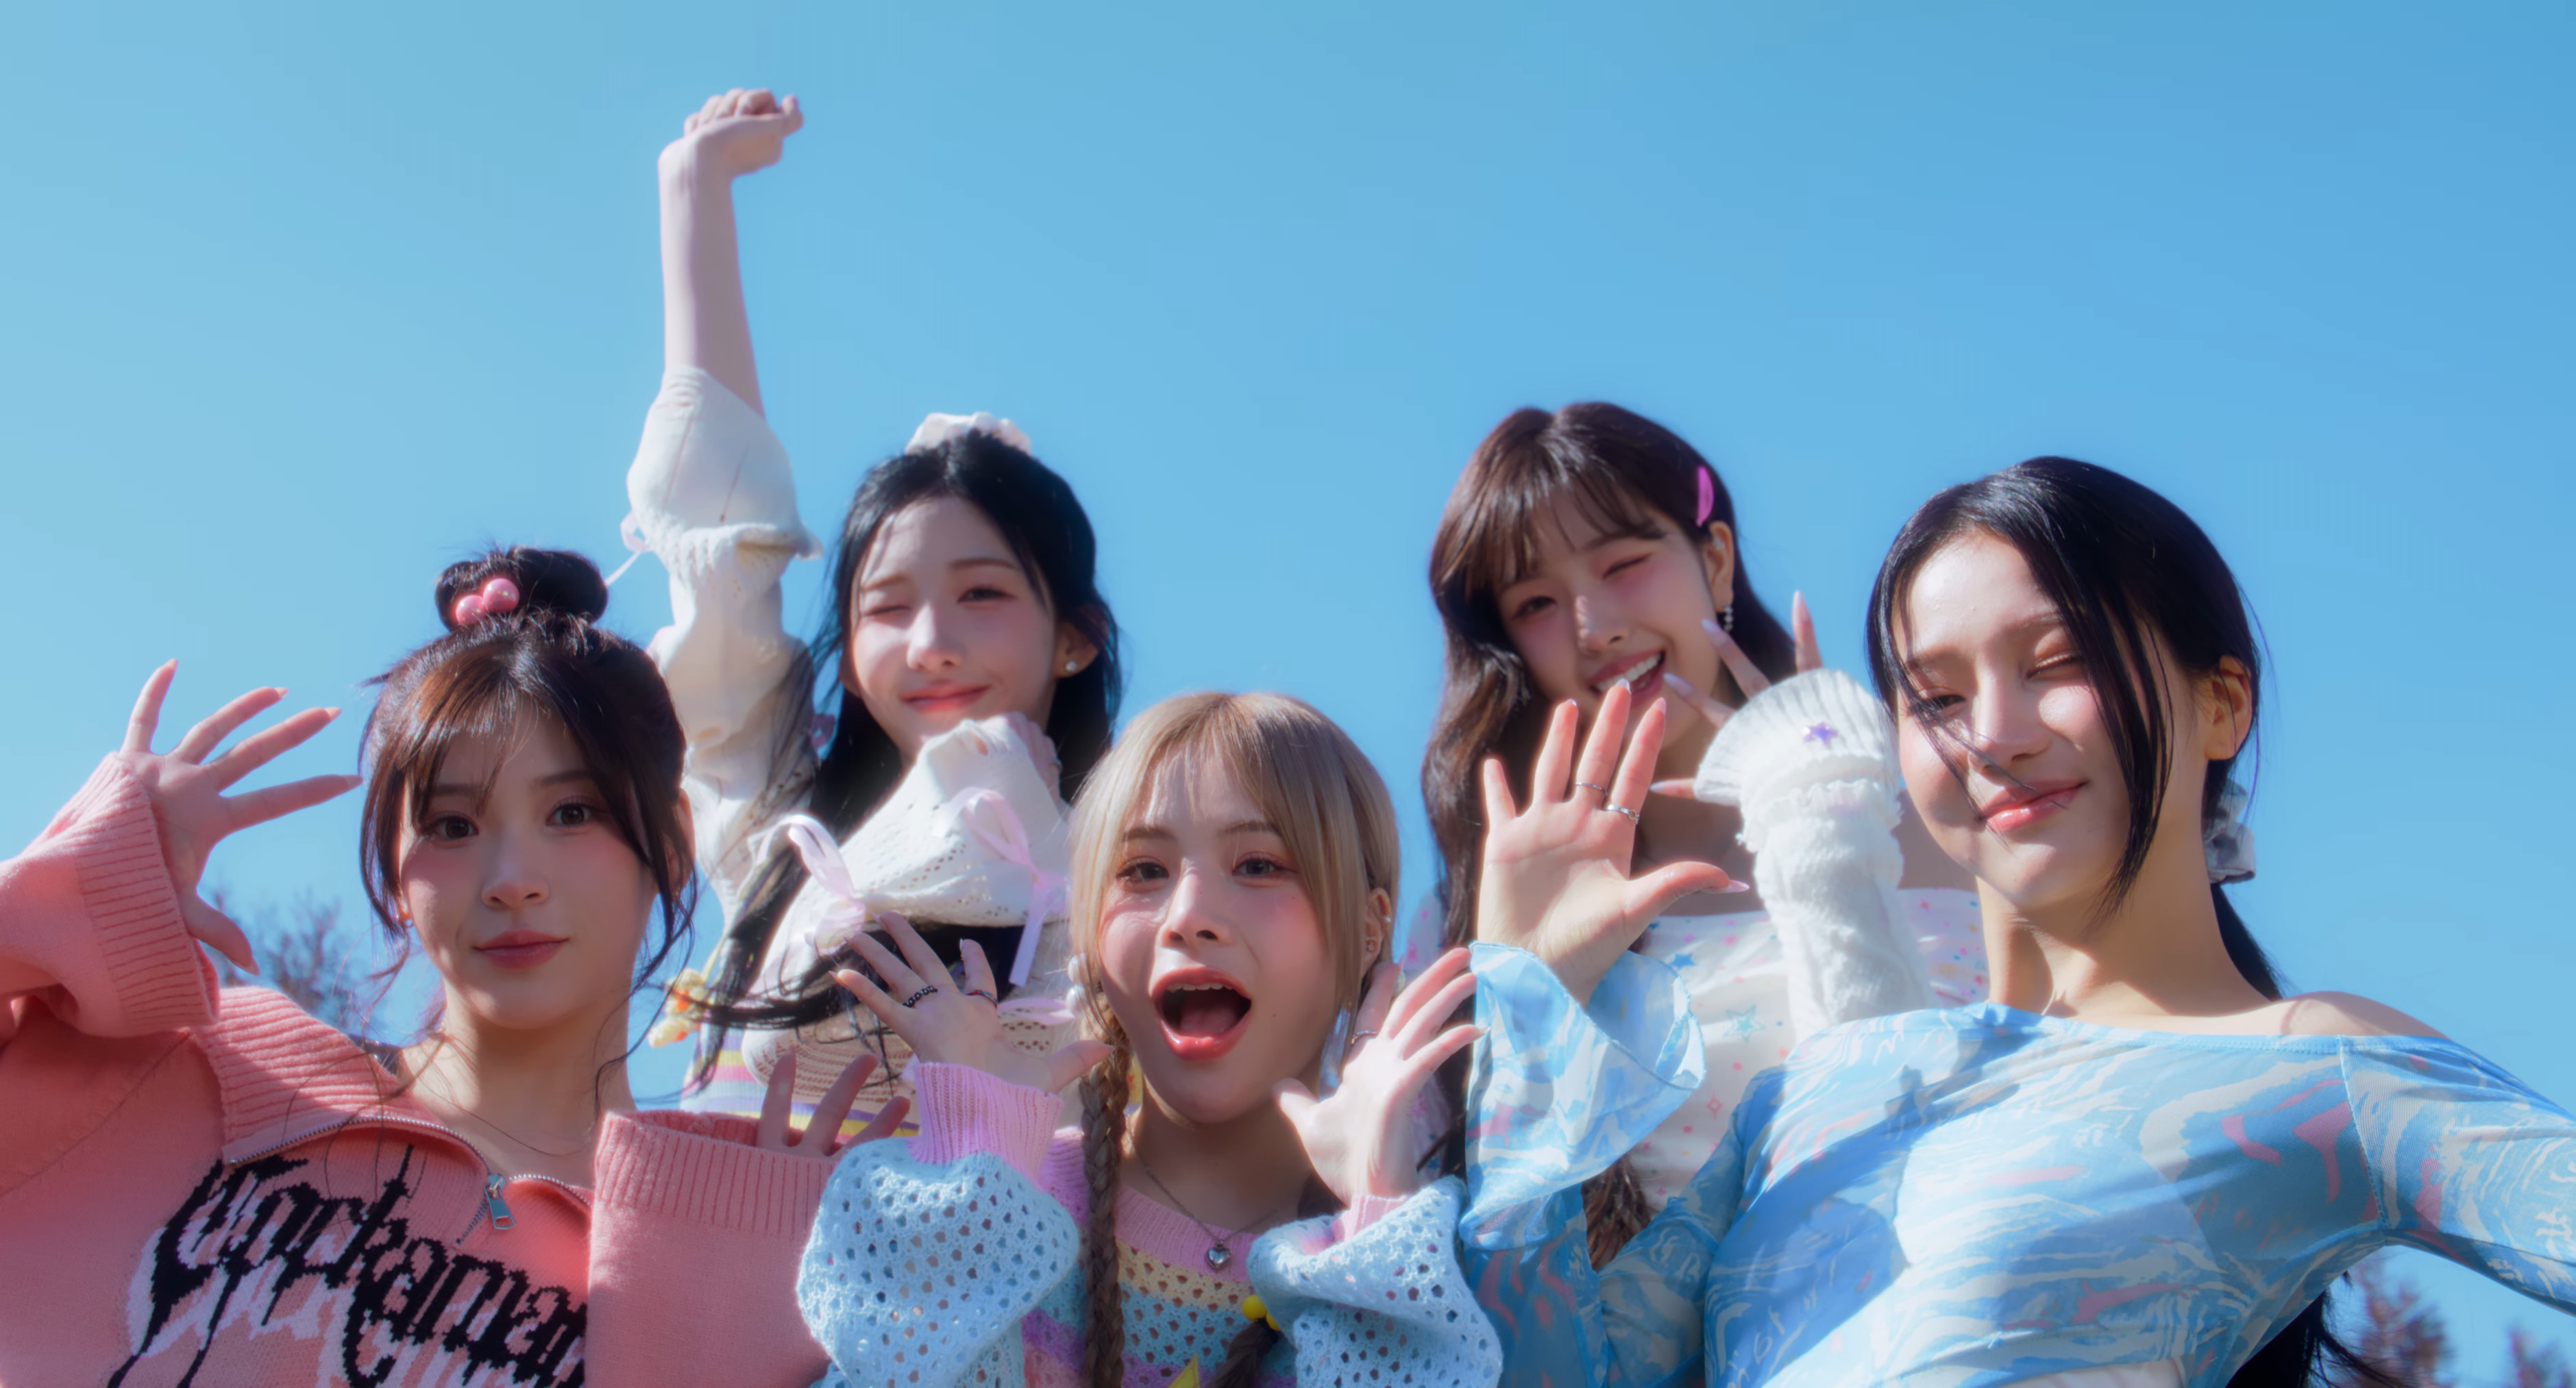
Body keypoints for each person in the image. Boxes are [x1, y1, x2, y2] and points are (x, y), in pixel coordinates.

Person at [1461, 458, 2576, 1386]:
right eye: (1936, 699)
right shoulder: (1809, 1095)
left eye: (2058, 663)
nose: (1994, 733)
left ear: (2221, 702)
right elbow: (1545, 1373)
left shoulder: (2315, 1064)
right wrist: (1527, 1007)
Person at [0, 549, 903, 1385]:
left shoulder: (722, 1237)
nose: (512, 878)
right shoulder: (207, 1070)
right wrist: (75, 892)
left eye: (572, 813)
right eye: (451, 825)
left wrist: (739, 1288)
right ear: (394, 874)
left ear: (674, 842)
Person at [624, 88, 1121, 1123]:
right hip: (718, 1225)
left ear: (1074, 638)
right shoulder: (780, 827)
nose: (932, 643)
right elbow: (722, 532)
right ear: (847, 653)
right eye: (887, 607)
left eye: (981, 593)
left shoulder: (1128, 868)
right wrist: (695, 191)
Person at [795, 693, 1501, 1387]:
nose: (1188, 915)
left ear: (1368, 929)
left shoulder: (1422, 1254)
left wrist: (1377, 1213)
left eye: (1258, 865)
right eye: (1143, 871)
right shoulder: (998, 1203)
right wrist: (970, 1159)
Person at [1413, 401, 1980, 1256]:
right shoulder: (1471, 918)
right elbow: (1485, 1249)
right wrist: (1528, 994)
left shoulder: (1943, 817)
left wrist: (1823, 828)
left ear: (1716, 561)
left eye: (1624, 563)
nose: (1596, 626)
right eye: (1536, 602)